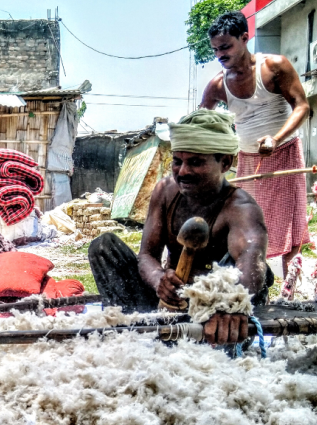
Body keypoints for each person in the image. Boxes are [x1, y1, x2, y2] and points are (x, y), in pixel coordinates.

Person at [88, 109, 272, 346]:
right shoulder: (164, 191)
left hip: (212, 315)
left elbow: (251, 261)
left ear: (225, 162)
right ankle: (134, 336)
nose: (183, 171)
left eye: (195, 163)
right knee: (103, 247)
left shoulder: (241, 208)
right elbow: (147, 255)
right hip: (165, 306)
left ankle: (220, 331)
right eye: (177, 161)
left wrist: (230, 304)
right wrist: (159, 280)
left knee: (261, 273)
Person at [201, 10, 311, 277]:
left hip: (285, 155)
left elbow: (302, 106)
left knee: (289, 229)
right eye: (216, 50)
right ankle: (253, 287)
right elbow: (201, 122)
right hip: (248, 161)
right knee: (246, 225)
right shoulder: (218, 84)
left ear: (244, 38)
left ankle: (291, 294)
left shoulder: (274, 66)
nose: (221, 55)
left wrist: (276, 138)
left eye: (226, 46)